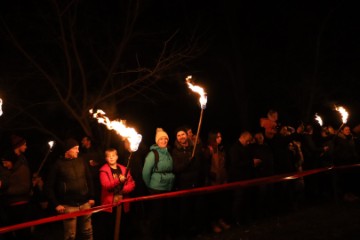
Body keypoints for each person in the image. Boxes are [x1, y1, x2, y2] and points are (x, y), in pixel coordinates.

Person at [45, 138, 95, 240]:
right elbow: (49, 186)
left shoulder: (81, 160)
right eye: (75, 148)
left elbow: (89, 179)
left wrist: (91, 196)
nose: (78, 150)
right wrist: (56, 204)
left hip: (85, 203)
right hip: (68, 206)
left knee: (87, 232)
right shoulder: (58, 165)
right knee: (70, 236)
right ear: (68, 150)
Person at [171, 126, 206, 237]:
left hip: (197, 182)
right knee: (185, 209)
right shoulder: (175, 151)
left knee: (198, 208)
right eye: (178, 135)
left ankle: (199, 230)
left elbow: (202, 163)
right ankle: (185, 233)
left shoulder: (194, 147)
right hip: (184, 184)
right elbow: (176, 168)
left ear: (187, 135)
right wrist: (187, 161)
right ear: (176, 138)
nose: (181, 137)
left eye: (183, 134)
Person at [142, 128, 175, 240]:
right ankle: (155, 236)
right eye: (161, 139)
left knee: (167, 213)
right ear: (157, 141)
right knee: (157, 215)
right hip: (157, 188)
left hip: (168, 187)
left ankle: (166, 235)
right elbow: (145, 172)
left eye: (165, 138)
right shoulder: (153, 154)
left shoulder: (168, 153)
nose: (164, 140)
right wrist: (150, 187)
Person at [0, 135, 33, 240]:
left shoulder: (22, 165)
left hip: (21, 205)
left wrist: (4, 191)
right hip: (8, 206)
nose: (26, 147)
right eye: (24, 144)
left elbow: (24, 186)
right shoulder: (6, 166)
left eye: (6, 163)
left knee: (23, 233)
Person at [99, 148, 135, 240]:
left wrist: (124, 190)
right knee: (111, 228)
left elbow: (132, 183)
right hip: (110, 204)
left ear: (117, 157)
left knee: (123, 226)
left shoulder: (124, 169)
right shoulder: (104, 170)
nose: (111, 158)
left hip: (123, 202)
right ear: (106, 158)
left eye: (113, 155)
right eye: (109, 156)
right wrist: (118, 180)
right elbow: (106, 185)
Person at [228, 131, 260, 226]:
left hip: (246, 177)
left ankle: (245, 218)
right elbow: (236, 164)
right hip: (239, 178)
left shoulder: (245, 147)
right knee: (239, 199)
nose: (249, 143)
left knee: (246, 198)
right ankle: (237, 220)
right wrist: (251, 163)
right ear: (243, 137)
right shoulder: (234, 149)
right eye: (248, 140)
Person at [203, 130, 231, 233]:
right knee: (214, 203)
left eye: (221, 136)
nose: (220, 138)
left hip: (222, 179)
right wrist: (210, 175)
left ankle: (220, 220)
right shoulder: (208, 150)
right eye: (218, 137)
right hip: (213, 181)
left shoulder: (221, 149)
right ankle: (213, 223)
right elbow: (205, 165)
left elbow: (224, 164)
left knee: (221, 201)